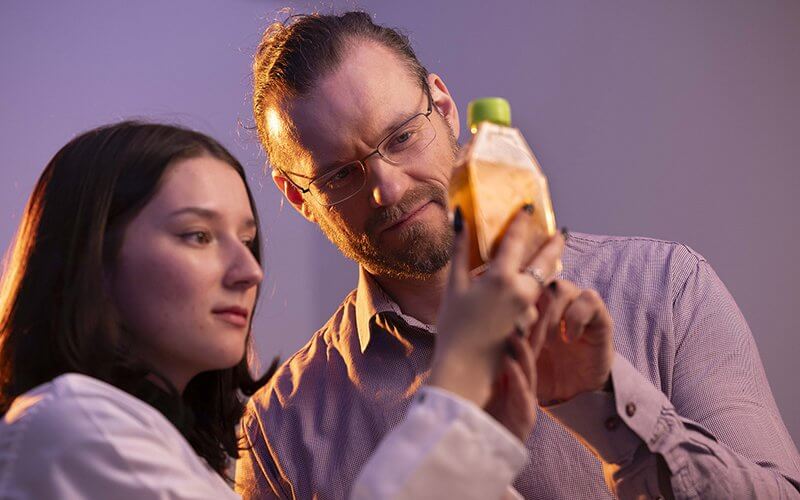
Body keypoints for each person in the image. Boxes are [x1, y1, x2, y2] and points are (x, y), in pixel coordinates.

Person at [238, 11, 800, 499]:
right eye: (341, 174)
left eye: (403, 136)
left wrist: (608, 405)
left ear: (444, 107)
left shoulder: (666, 286)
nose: (388, 188)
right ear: (298, 197)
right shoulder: (279, 429)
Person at [0, 121, 563, 498]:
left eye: (246, 240)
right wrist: (460, 385)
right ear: (90, 254)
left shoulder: (179, 458)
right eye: (197, 235)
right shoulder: (73, 428)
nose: (250, 272)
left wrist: (483, 441)